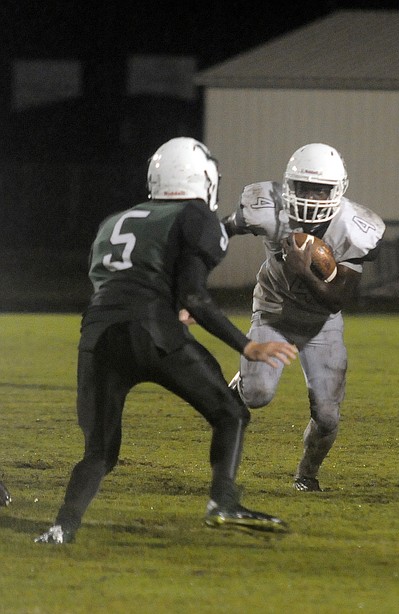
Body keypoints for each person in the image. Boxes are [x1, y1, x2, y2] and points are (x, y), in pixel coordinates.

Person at [34, 137, 299, 544]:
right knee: (231, 413)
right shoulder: (195, 216)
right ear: (203, 177)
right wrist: (247, 346)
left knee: (100, 453)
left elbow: (125, 282)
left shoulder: (114, 221)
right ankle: (222, 503)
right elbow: (193, 294)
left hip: (98, 337)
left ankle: (61, 527)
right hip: (153, 332)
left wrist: (174, 303)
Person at [223, 143, 385, 492]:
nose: (311, 196)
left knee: (327, 417)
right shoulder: (268, 208)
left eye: (320, 189)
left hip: (321, 324)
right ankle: (240, 386)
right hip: (273, 311)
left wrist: (303, 271)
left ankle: (306, 475)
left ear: (338, 190)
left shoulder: (354, 227)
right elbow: (223, 230)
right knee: (258, 395)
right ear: (288, 186)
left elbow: (338, 299)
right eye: (304, 187)